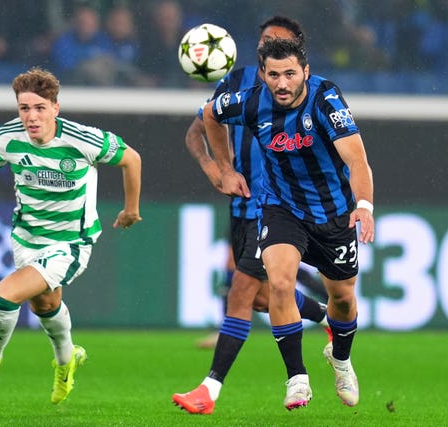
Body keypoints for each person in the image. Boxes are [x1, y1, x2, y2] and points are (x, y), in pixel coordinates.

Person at [0, 67, 142, 404]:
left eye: (39, 108)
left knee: (6, 294)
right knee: (46, 305)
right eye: (24, 108)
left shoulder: (82, 139)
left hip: (71, 243)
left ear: (55, 108)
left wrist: (130, 209)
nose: (31, 116)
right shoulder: (8, 138)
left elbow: (131, 159)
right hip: (26, 239)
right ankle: (67, 362)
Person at [201, 37, 374, 411]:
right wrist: (224, 167)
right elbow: (209, 115)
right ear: (262, 74)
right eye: (274, 74)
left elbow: (357, 159)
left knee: (342, 299)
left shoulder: (326, 100)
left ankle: (341, 359)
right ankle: (297, 378)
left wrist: (364, 206)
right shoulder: (249, 101)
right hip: (282, 208)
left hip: (334, 214)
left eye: (290, 74)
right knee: (279, 282)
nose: (282, 83)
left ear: (305, 73)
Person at [173, 16, 330, 414]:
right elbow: (196, 132)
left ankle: (209, 390)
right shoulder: (234, 84)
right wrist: (217, 170)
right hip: (240, 206)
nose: (274, 62)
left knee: (241, 293)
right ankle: (328, 318)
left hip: (277, 207)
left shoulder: (310, 95)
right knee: (262, 297)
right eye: (265, 46)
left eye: (281, 48)